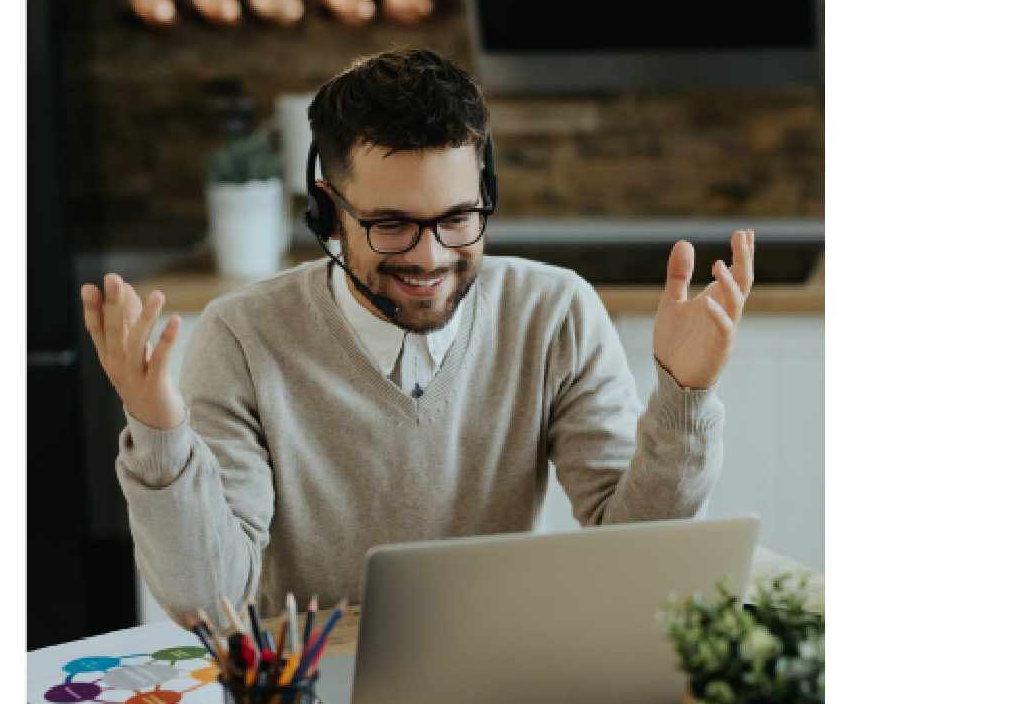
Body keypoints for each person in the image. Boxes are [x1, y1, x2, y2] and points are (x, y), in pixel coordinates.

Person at [81, 48, 755, 623]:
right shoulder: (242, 337)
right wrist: (161, 436)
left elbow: (630, 550)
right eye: (392, 225)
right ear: (327, 211)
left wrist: (683, 396)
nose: (430, 258)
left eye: (457, 217)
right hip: (309, 692)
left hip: (504, 672)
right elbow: (210, 603)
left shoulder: (554, 313)